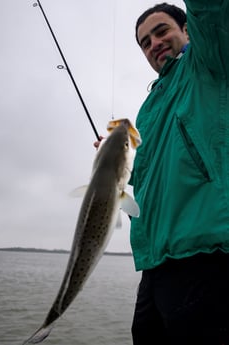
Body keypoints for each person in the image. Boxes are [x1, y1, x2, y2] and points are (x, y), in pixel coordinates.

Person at [95, 1, 229, 344]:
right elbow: (153, 172)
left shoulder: (207, 63)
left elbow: (212, 10)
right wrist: (114, 161)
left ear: (187, 30)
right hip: (155, 263)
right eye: (144, 41)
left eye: (161, 31)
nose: (153, 43)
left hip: (206, 256)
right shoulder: (151, 105)